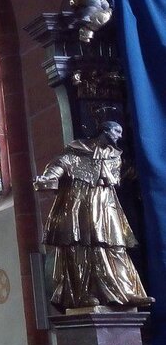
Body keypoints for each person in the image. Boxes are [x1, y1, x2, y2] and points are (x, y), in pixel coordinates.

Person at [34, 121, 155, 311]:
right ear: (104, 131)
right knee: (80, 248)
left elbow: (126, 174)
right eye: (116, 131)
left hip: (106, 206)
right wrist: (48, 177)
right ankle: (84, 294)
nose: (119, 136)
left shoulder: (115, 157)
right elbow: (59, 165)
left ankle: (124, 291)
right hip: (79, 206)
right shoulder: (77, 152)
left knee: (115, 246)